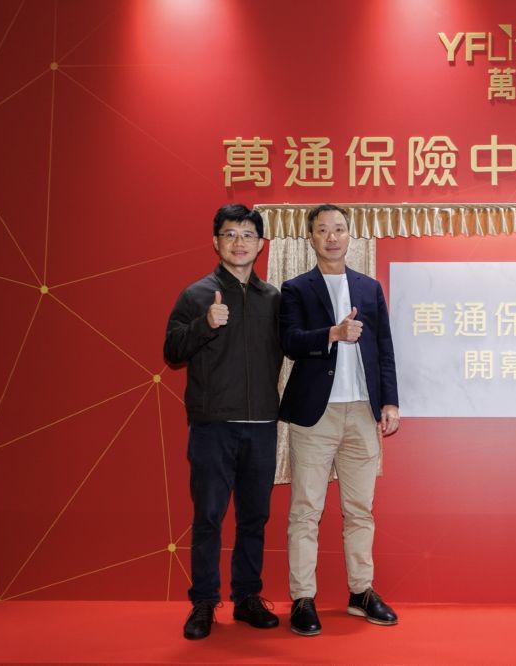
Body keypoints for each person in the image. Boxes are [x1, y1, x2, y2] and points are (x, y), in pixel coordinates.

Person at [278, 204, 400, 636]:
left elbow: (384, 347)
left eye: (339, 229)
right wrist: (332, 333)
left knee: (360, 509)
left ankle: (361, 592)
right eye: (323, 230)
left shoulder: (369, 287)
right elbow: (290, 342)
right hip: (316, 415)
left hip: (363, 411)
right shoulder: (296, 288)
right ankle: (302, 598)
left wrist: (390, 402)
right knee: (305, 510)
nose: (332, 237)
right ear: (310, 237)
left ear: (350, 235)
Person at [164, 203, 282, 640]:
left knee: (254, 517)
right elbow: (172, 351)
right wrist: (204, 324)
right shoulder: (196, 294)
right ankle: (203, 602)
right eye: (230, 234)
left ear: (261, 244)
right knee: (209, 517)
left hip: (262, 425)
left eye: (248, 235)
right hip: (212, 425)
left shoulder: (273, 298)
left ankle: (247, 597)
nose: (239, 243)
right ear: (216, 242)